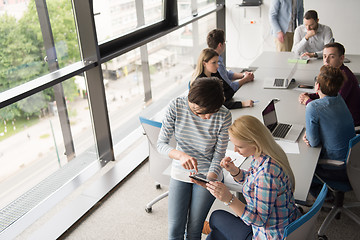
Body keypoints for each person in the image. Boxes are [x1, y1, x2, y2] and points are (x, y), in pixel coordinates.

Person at [192, 115, 300, 240]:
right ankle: (217, 232)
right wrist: (235, 171)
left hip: (270, 235)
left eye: (240, 146)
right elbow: (253, 180)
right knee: (216, 234)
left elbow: (259, 220)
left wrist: (229, 199)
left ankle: (214, 230)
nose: (235, 150)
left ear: (255, 142)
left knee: (216, 217)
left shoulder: (266, 176)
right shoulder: (265, 155)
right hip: (287, 223)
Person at [157, 77, 232, 240]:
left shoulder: (224, 115)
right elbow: (161, 144)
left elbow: (219, 154)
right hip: (180, 170)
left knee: (194, 229)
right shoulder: (176, 106)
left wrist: (208, 180)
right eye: (200, 112)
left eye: (212, 112)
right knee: (175, 229)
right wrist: (180, 155)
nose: (207, 117)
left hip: (209, 173)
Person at [304, 65, 355, 190]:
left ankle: (325, 198)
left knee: (303, 168)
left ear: (318, 86)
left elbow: (314, 143)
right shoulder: (339, 98)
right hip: (353, 162)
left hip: (338, 168)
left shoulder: (313, 107)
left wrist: (308, 136)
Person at [299, 42, 360, 126]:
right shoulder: (333, 74)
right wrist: (310, 96)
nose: (326, 60)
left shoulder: (344, 78)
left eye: (332, 57)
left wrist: (308, 102)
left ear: (341, 58)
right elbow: (328, 94)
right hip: (338, 116)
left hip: (348, 122)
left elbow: (331, 107)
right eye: (324, 56)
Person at [206, 29, 255, 95]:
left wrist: (244, 75)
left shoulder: (217, 59)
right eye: (225, 42)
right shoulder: (217, 64)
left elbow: (227, 74)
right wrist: (245, 79)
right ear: (220, 45)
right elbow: (231, 87)